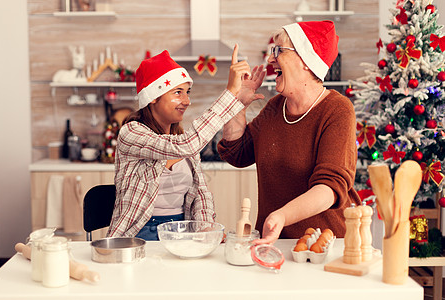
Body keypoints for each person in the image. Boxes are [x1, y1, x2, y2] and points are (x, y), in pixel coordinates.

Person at [218, 21, 361, 244]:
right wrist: (237, 104)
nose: (270, 59)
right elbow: (236, 153)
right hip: (274, 242)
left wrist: (282, 215)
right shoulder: (276, 107)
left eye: (279, 50)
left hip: (323, 244)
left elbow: (329, 189)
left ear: (306, 60)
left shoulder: (337, 109)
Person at [107, 45, 252, 240]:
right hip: (138, 235)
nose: (187, 100)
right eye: (178, 92)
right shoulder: (132, 132)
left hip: (181, 232)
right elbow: (185, 145)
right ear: (153, 97)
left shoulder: (182, 137)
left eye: (187, 92)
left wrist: (206, 227)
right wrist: (230, 91)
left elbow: (200, 192)